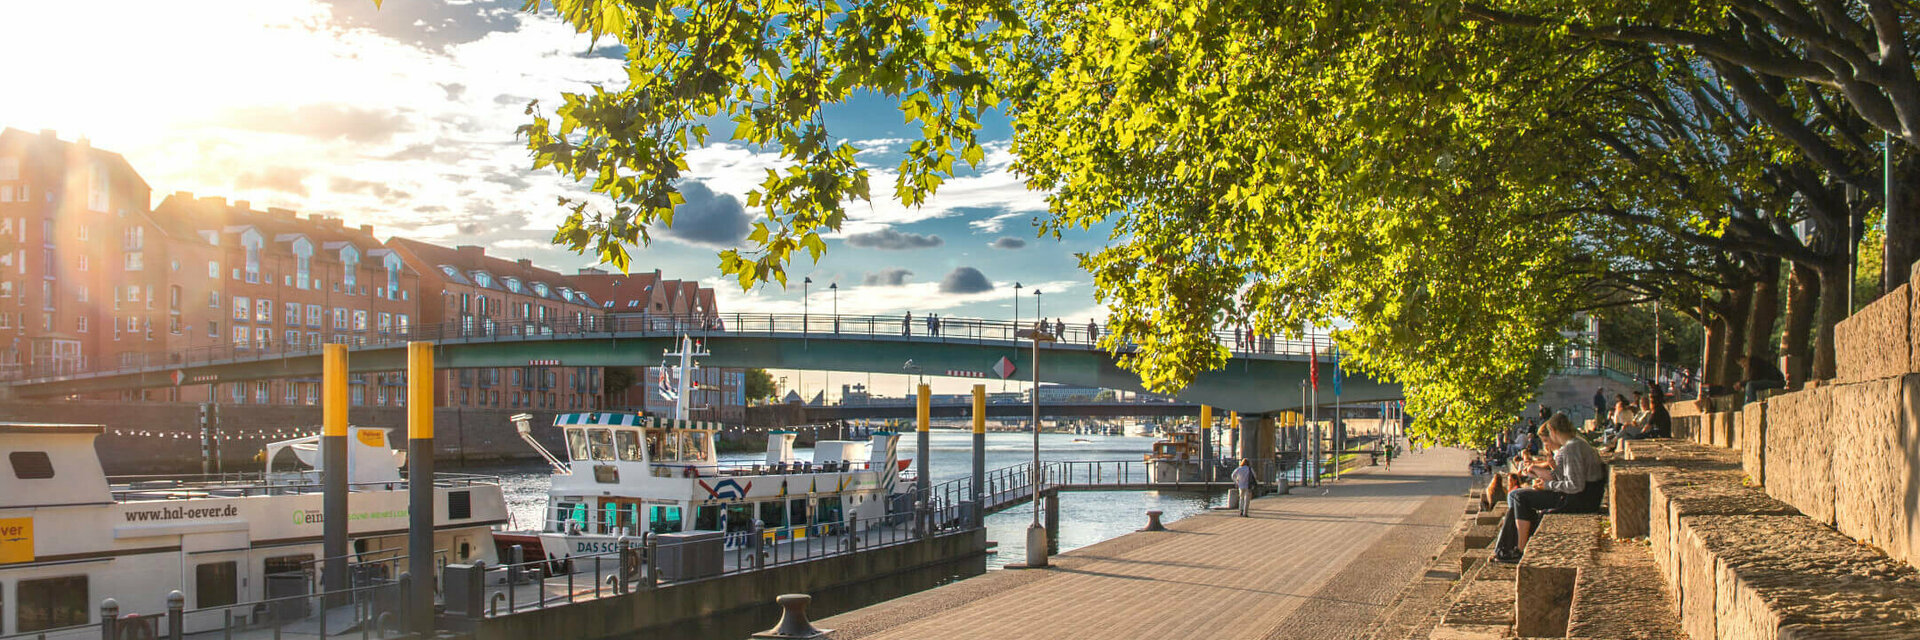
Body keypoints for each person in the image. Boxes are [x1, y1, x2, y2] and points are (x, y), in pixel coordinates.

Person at [1494, 413, 1608, 563]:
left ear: (1553, 431)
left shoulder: (1571, 449)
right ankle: (1506, 549)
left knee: (1519, 497)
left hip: (1579, 500)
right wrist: (1546, 481)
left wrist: (1547, 485)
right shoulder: (1577, 444)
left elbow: (1575, 485)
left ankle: (1520, 549)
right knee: (1519, 497)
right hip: (1585, 497)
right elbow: (1565, 478)